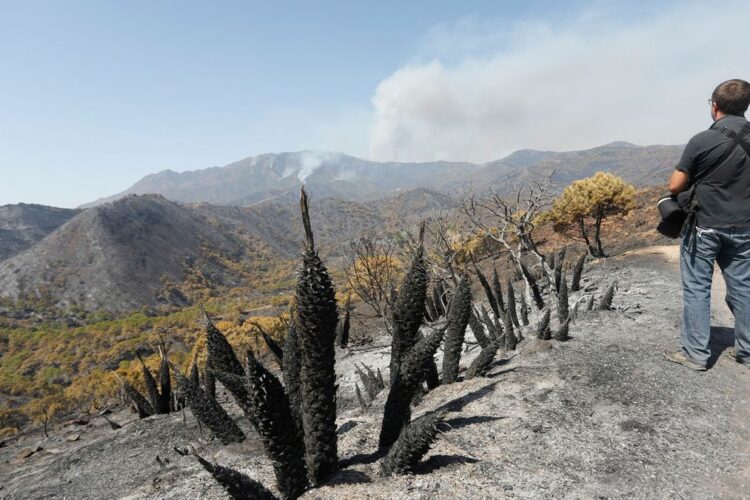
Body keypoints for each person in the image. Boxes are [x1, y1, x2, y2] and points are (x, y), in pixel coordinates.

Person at [665, 79, 750, 372]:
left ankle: (696, 354)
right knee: (744, 287)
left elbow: (675, 184)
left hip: (705, 226)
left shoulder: (702, 140)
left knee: (697, 288)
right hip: (745, 227)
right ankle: (747, 351)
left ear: (714, 106)